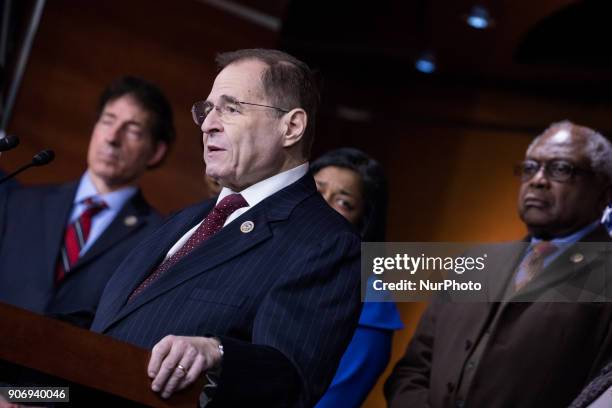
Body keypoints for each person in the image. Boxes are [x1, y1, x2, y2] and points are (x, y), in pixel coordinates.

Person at [89, 49, 362, 407]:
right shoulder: (181, 221)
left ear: (291, 127)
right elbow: (101, 332)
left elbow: (291, 380)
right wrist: (27, 393)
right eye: (207, 110)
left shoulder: (326, 243)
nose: (207, 125)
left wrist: (218, 352)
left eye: (231, 109)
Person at [384, 120, 612, 407]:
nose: (538, 180)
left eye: (561, 169)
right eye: (530, 167)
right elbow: (413, 369)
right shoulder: (476, 262)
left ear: (604, 192)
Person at [0, 76, 174, 326]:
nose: (112, 138)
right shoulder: (20, 202)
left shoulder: (156, 240)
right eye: (107, 121)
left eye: (133, 130)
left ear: (156, 151)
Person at [311, 147, 403, 407]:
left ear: (362, 221)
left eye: (343, 202)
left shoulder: (369, 305)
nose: (322, 206)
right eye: (316, 191)